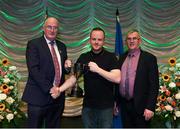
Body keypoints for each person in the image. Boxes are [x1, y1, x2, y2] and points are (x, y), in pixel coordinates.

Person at [22, 17, 75, 128]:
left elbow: (62, 70)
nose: (52, 30)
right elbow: (34, 70)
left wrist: (67, 67)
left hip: (57, 98)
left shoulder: (62, 46)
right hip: (38, 96)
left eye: (55, 28)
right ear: (43, 28)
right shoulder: (34, 44)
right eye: (49, 27)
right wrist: (51, 88)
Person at [76, 27, 121, 128]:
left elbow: (117, 78)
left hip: (106, 108)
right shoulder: (83, 57)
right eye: (94, 39)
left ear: (103, 41)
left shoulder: (111, 57)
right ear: (90, 40)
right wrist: (59, 89)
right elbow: (74, 77)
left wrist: (98, 70)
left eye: (99, 39)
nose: (96, 42)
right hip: (88, 107)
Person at [117, 29, 159, 128]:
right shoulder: (121, 58)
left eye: (134, 38)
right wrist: (116, 102)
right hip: (124, 105)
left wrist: (150, 107)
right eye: (129, 39)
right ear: (126, 41)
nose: (131, 41)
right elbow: (117, 81)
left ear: (139, 41)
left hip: (142, 107)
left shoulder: (149, 58)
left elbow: (154, 85)